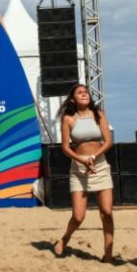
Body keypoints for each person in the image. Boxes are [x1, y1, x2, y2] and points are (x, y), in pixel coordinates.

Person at [53, 84, 115, 262]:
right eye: (79, 92)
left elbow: (108, 141)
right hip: (79, 169)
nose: (84, 94)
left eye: (86, 92)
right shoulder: (68, 119)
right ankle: (64, 239)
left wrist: (94, 156)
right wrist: (82, 160)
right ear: (73, 99)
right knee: (78, 216)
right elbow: (65, 147)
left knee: (107, 212)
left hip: (100, 166)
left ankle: (108, 255)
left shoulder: (99, 114)